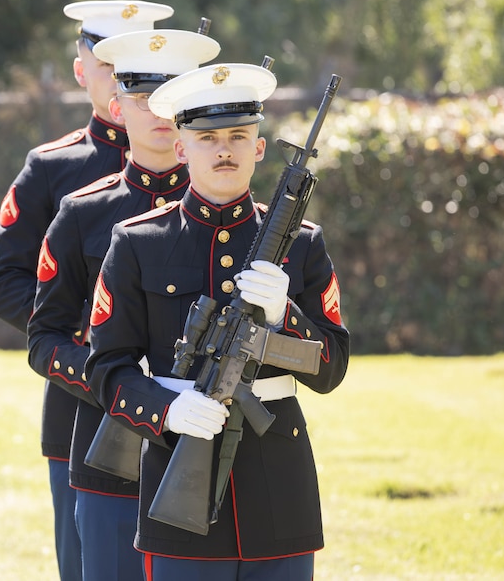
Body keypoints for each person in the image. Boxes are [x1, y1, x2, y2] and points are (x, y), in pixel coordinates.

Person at [84, 63, 350, 579]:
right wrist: (166, 410)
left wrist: (285, 315)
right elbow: (107, 369)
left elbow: (332, 368)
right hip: (176, 476)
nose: (223, 149)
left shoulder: (303, 244)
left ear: (259, 148)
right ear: (181, 148)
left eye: (237, 135)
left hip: (278, 488)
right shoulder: (138, 241)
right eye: (206, 137)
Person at [0, 0, 173, 580]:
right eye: (108, 62)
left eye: (136, 63)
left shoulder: (204, 171)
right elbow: (7, 283)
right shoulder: (51, 169)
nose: (120, 77)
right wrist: (93, 342)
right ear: (83, 70)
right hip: (82, 400)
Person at [26, 27, 221, 581]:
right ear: (117, 107)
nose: (160, 111)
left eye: (173, 96)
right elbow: (44, 340)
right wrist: (123, 386)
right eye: (143, 98)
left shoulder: (234, 219)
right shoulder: (83, 212)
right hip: (109, 436)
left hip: (207, 439)